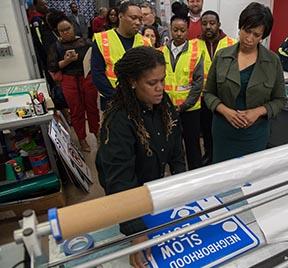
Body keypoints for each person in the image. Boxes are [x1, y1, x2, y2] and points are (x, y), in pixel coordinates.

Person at [96, 46, 185, 268]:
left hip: (153, 191)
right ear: (132, 82)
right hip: (129, 197)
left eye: (162, 80)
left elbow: (176, 153)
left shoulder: (164, 105)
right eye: (152, 83)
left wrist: (184, 192)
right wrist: (136, 232)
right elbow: (119, 182)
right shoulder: (119, 121)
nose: (160, 88)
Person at [204, 2, 285, 163]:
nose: (249, 38)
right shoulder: (222, 56)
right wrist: (226, 111)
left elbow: (280, 100)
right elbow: (208, 93)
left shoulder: (272, 61)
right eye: (247, 31)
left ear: (263, 36)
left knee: (250, 178)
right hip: (224, 130)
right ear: (240, 27)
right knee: (223, 175)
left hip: (255, 133)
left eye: (256, 35)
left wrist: (258, 111)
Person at [160, 4, 204, 170]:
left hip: (190, 109)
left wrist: (184, 105)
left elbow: (198, 83)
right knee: (172, 145)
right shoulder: (161, 52)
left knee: (193, 146)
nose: (178, 34)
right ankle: (176, 176)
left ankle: (195, 175)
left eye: (182, 30)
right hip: (166, 109)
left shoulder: (195, 52)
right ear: (170, 29)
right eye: (175, 30)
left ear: (188, 31)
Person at [47, 14, 100, 152]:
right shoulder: (56, 46)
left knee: (92, 108)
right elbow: (52, 66)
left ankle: (96, 133)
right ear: (58, 32)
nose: (66, 32)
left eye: (68, 29)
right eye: (62, 31)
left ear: (73, 27)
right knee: (76, 111)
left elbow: (96, 60)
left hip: (87, 78)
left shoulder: (86, 42)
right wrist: (66, 61)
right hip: (69, 80)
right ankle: (82, 139)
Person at [91, 1, 151, 110]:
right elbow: (97, 74)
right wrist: (117, 97)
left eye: (140, 19)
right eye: (133, 18)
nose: (138, 22)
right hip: (112, 100)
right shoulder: (102, 40)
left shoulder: (146, 42)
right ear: (120, 16)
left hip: (139, 100)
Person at [198, 10, 237, 165]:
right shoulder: (194, 44)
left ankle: (224, 157)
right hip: (202, 97)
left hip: (224, 98)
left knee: (224, 130)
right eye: (205, 23)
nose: (208, 27)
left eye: (212, 23)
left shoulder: (232, 44)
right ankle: (209, 155)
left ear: (219, 25)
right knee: (207, 130)